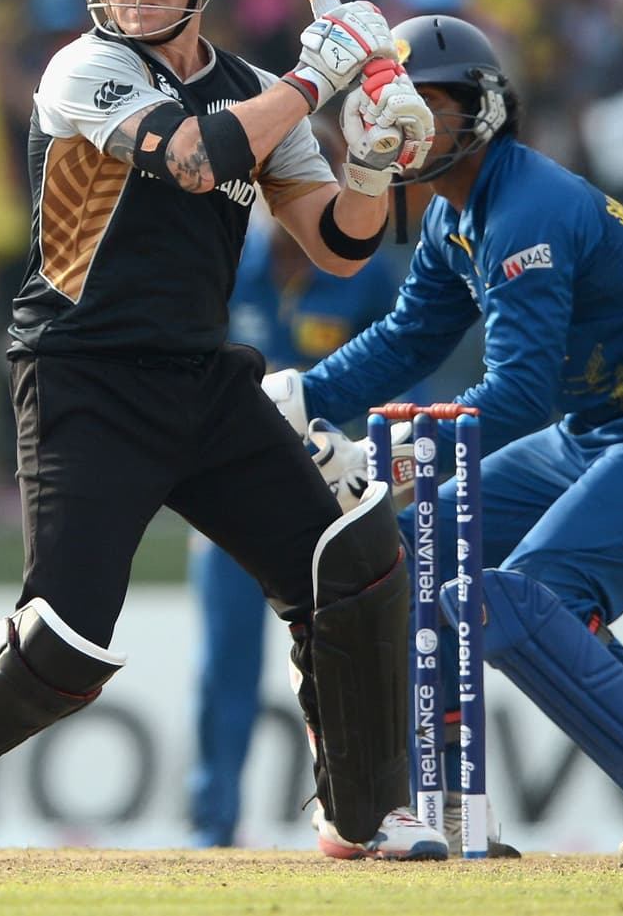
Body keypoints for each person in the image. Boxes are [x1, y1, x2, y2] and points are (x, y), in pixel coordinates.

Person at [0, 0, 447, 861]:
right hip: (82, 374)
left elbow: (337, 242)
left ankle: (361, 817)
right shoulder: (83, 70)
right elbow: (197, 157)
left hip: (202, 376)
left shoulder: (253, 90)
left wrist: (374, 155)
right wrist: (315, 79)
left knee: (349, 565)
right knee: (66, 640)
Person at [262, 14, 623, 857]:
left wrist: (394, 455)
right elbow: (408, 338)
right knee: (414, 557)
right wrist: (299, 397)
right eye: (397, 102)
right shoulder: (449, 218)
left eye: (433, 101)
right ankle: (447, 805)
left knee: (522, 590)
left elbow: (523, 391)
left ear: (485, 110)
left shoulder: (528, 210)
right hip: (595, 430)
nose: (411, 120)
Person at [187, 205, 400, 848]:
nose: (294, 198)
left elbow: (397, 375)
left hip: (327, 503)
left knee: (342, 659)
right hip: (227, 499)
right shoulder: (224, 263)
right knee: (225, 661)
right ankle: (212, 823)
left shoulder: (364, 274)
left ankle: (357, 815)